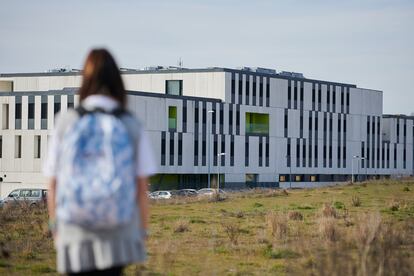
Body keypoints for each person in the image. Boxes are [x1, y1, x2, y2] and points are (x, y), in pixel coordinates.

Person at [43, 49, 156, 275]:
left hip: (74, 230)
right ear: (117, 80)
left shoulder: (67, 121)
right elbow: (142, 188)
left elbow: (53, 183)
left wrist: (55, 227)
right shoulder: (130, 123)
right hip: (118, 233)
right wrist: (142, 231)